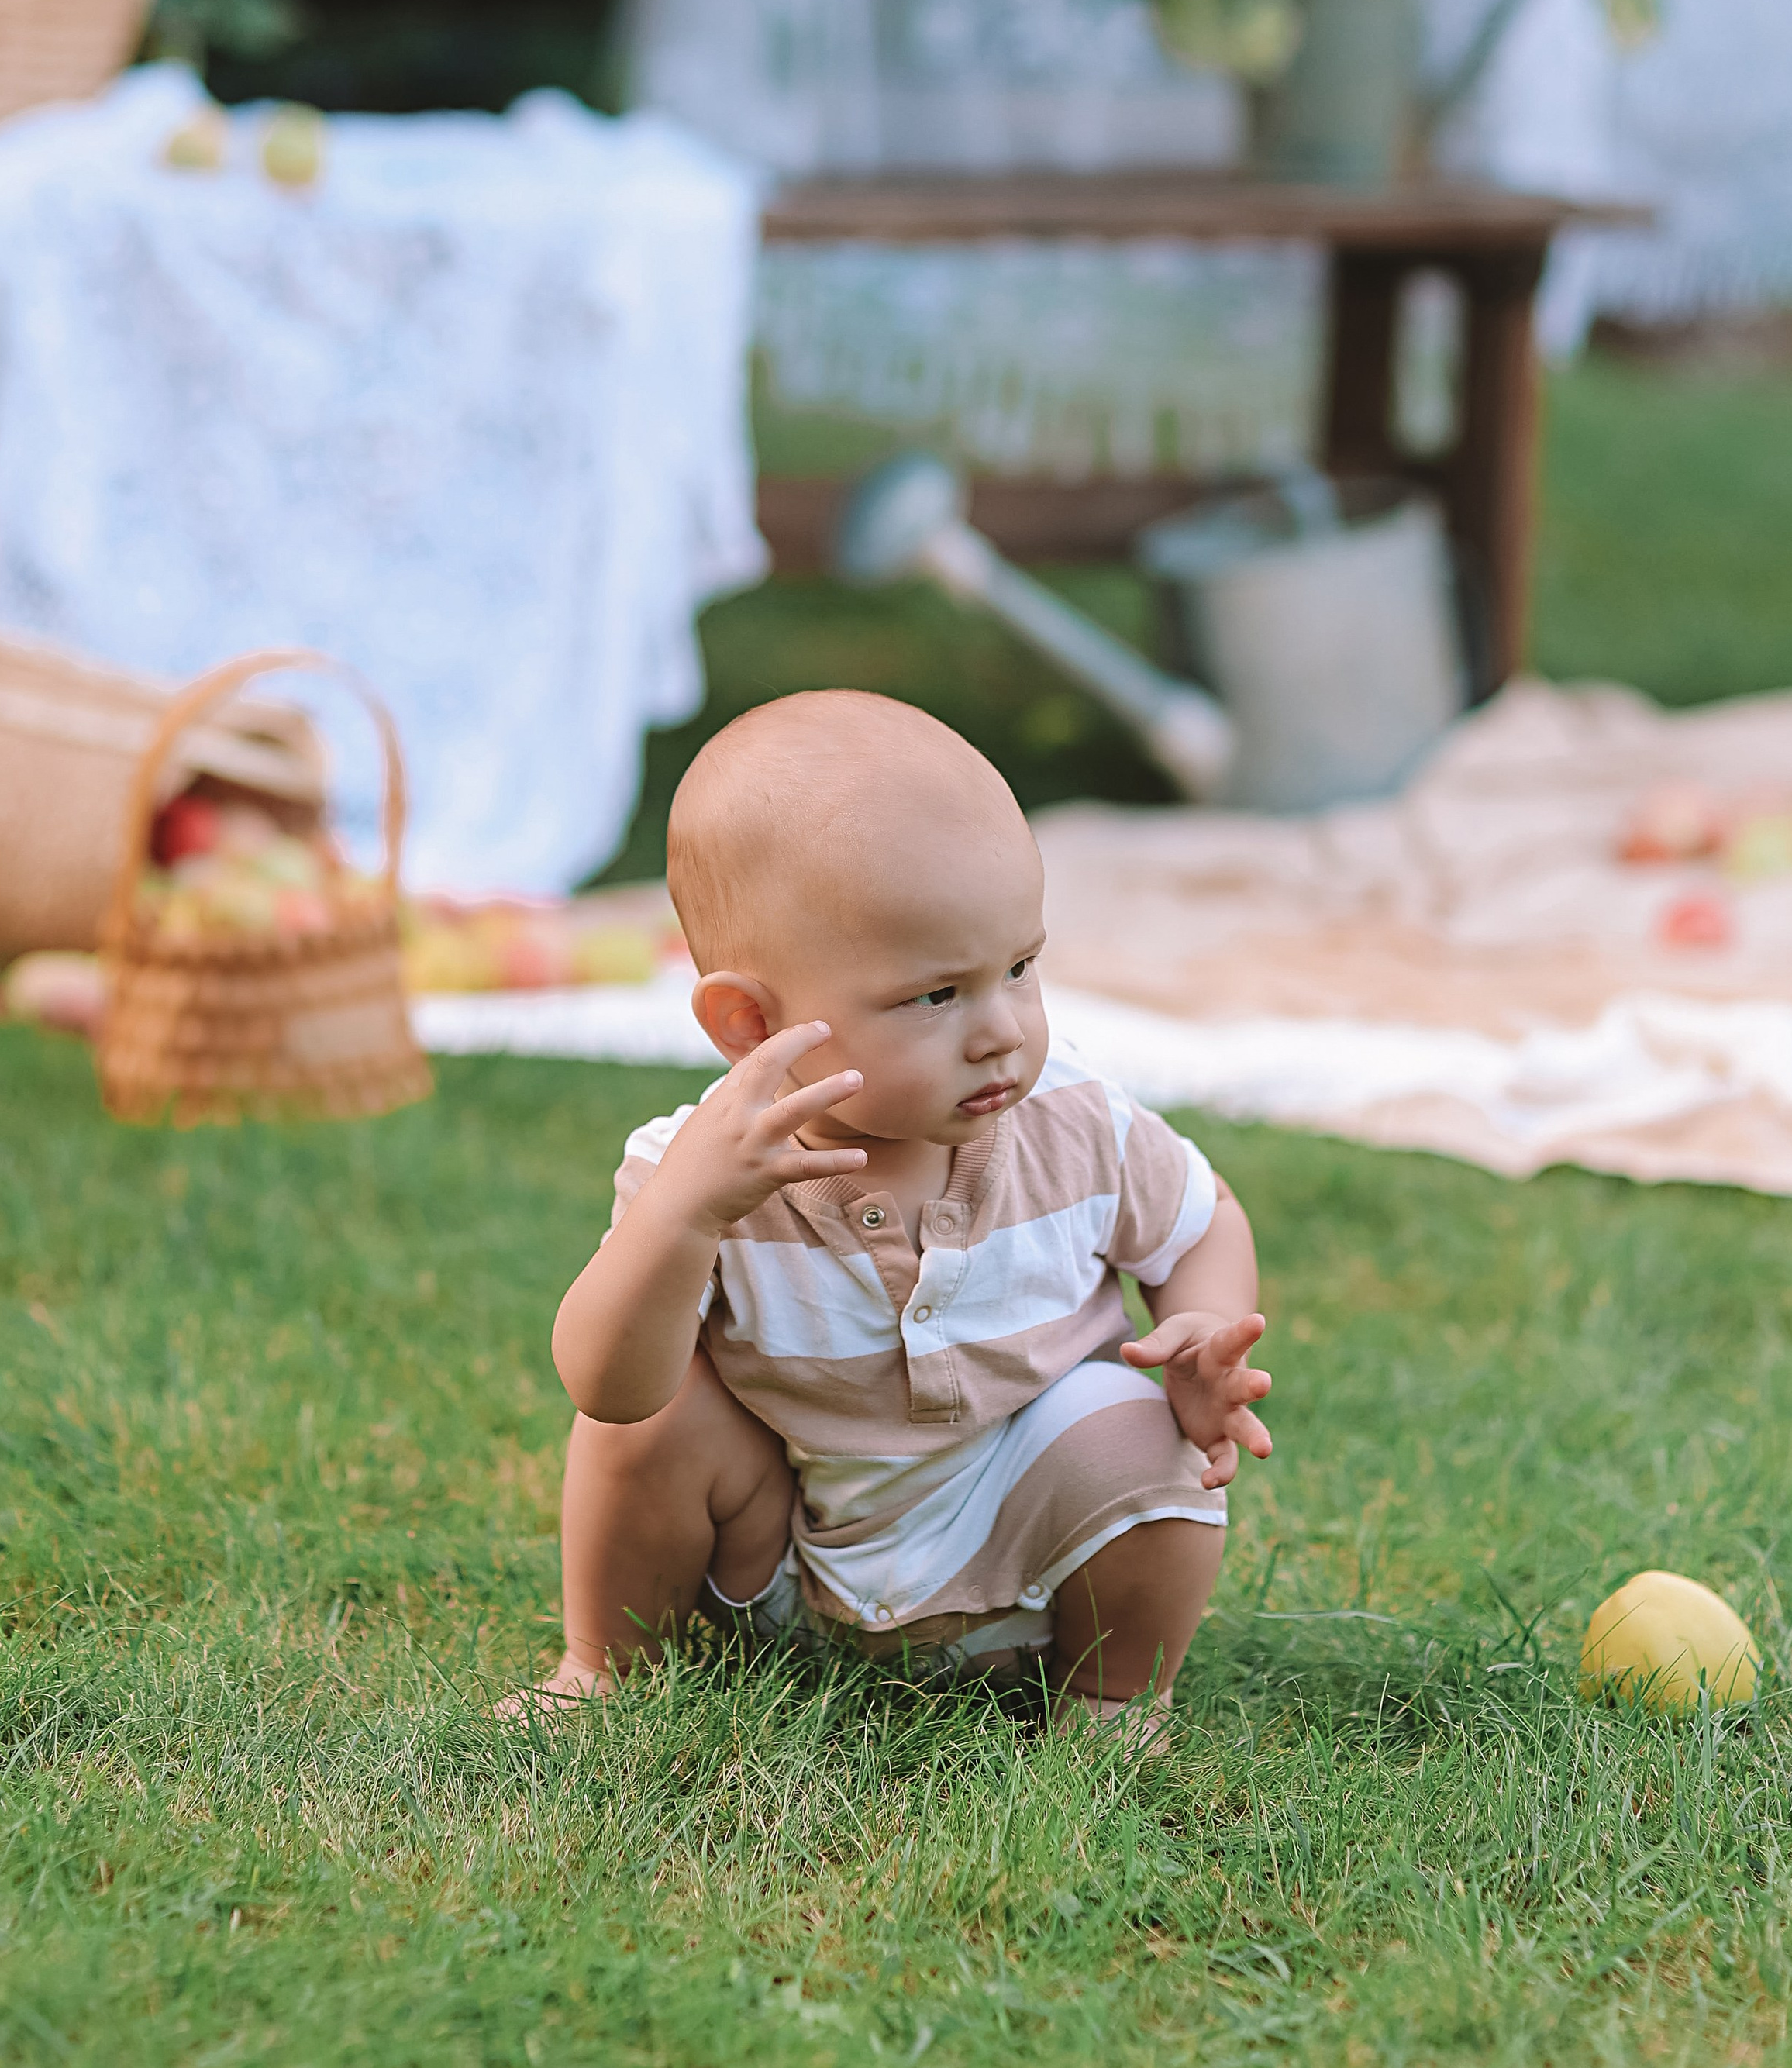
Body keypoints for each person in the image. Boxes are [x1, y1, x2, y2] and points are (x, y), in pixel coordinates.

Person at [512, 688, 1271, 1739]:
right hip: (781, 1560)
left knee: (1143, 1436)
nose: (1002, 1029)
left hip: (1032, 1556)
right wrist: (683, 1221)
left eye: (1019, 968)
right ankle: (604, 1669)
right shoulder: (699, 1173)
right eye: (935, 996)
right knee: (654, 1417)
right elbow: (609, 1386)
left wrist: (1202, 1323)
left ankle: (1110, 1695)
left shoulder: (1078, 1122)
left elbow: (1202, 1219)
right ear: (752, 1021)